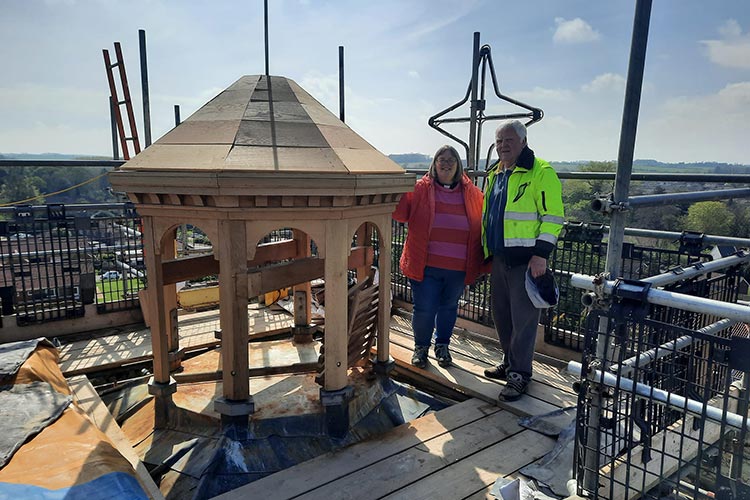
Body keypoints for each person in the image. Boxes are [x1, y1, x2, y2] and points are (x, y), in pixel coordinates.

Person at [481, 120, 564, 401]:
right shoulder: (496, 173)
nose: (503, 145)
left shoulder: (541, 172)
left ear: (523, 141)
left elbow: (553, 216)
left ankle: (519, 375)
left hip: (526, 261)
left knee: (524, 321)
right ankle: (510, 362)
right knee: (501, 317)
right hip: (499, 257)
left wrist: (541, 254)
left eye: (509, 140)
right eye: (499, 141)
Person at [393, 145, 485, 369]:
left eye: (451, 159)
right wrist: (395, 185)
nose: (446, 163)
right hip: (425, 264)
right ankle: (421, 348)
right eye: (441, 159)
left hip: (458, 267)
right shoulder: (419, 189)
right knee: (424, 309)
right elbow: (401, 214)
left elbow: (484, 221)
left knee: (449, 307)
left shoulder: (472, 193)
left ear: (458, 165)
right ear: (433, 164)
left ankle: (442, 346)